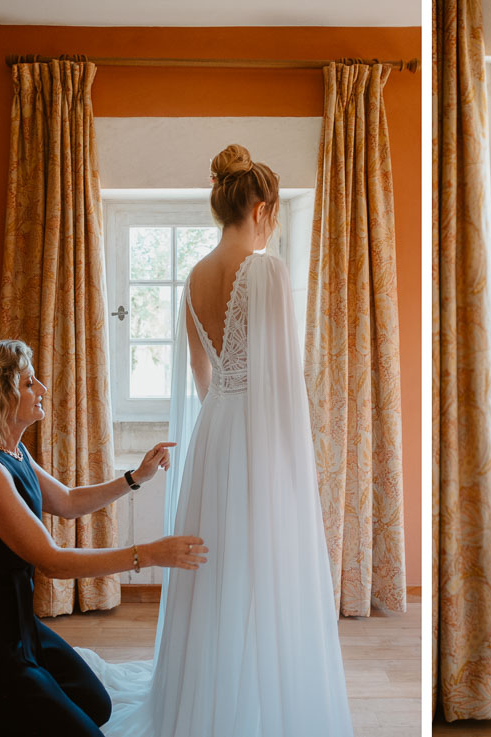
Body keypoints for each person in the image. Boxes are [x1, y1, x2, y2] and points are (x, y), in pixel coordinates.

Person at [76, 144, 355, 737]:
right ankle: (255, 698)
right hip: (259, 435)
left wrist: (225, 431)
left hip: (216, 433)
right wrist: (286, 460)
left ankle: (206, 693)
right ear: (260, 206)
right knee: (263, 562)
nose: (271, 222)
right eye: (272, 211)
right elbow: (282, 382)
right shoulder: (266, 269)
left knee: (217, 564)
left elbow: (205, 378)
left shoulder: (193, 277)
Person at [0, 339, 208, 737]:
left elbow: (69, 501)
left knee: (96, 706)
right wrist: (148, 554)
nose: (42, 389)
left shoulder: (14, 453)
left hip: (21, 629)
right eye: (28, 383)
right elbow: (52, 561)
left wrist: (136, 478)